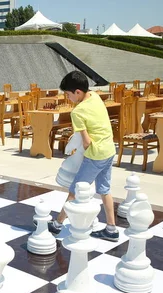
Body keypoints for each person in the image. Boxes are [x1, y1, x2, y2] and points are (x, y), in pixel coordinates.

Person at [51, 71, 119, 242]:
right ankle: (111, 229)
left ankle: (57, 224)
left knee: (75, 190)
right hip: (110, 150)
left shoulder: (77, 112)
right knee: (104, 189)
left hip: (95, 155)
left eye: (68, 94)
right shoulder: (95, 96)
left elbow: (86, 142)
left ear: (78, 92)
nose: (68, 98)